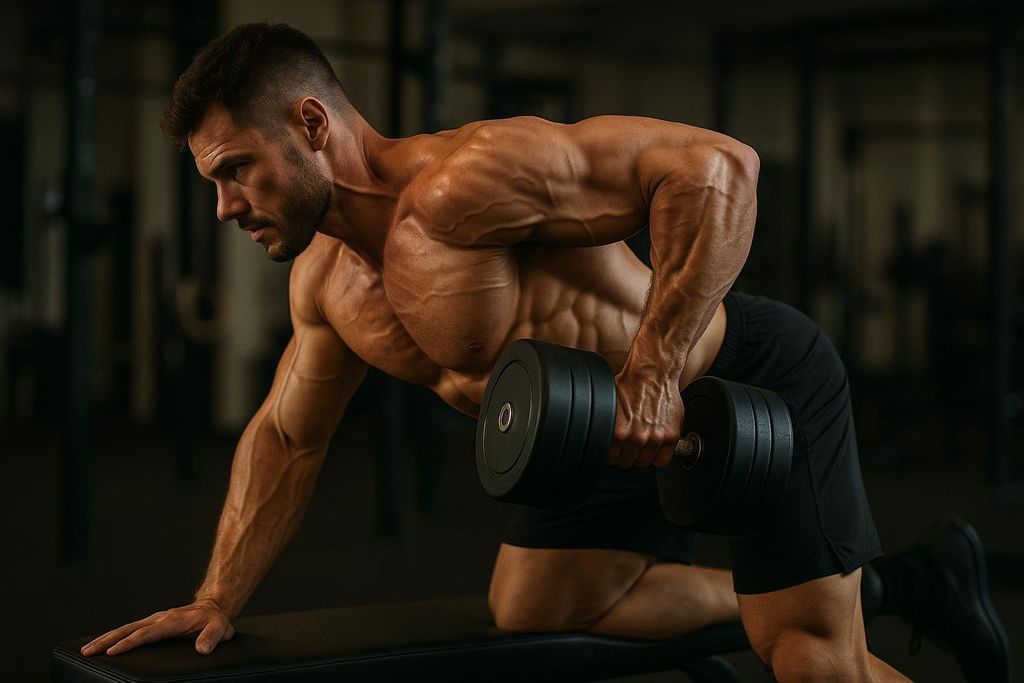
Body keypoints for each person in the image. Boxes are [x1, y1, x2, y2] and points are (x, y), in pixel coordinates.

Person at [80, 23, 1009, 682]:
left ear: (314, 126)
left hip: (730, 383)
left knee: (809, 659)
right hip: (600, 440)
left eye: (236, 169)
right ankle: (891, 581)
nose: (224, 206)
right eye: (212, 182)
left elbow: (721, 167)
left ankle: (820, 603)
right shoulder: (325, 285)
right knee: (534, 604)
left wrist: (651, 369)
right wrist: (215, 595)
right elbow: (289, 437)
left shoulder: (463, 182)